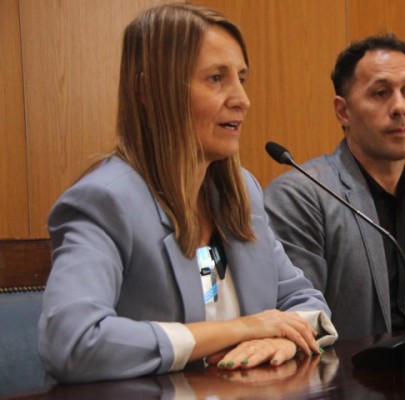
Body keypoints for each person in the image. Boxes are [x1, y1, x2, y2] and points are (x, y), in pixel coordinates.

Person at [38, 4, 336, 384]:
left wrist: (287, 340)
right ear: (148, 91)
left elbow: (304, 302)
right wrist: (242, 329)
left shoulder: (242, 191)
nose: (242, 98)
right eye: (216, 79)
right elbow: (72, 342)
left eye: (242, 78)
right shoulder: (105, 202)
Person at [264, 34, 405, 339]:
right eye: (380, 93)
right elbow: (301, 327)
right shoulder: (300, 195)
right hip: (338, 381)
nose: (400, 107)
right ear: (343, 112)